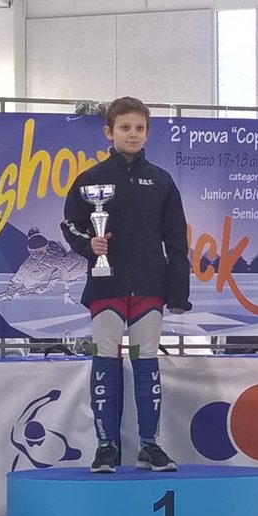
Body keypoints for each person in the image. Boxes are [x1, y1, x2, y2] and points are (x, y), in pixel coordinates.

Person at [61, 96, 192, 473]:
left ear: (147, 133)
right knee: (105, 358)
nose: (132, 134)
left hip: (150, 286)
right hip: (106, 286)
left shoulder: (162, 181)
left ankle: (149, 445)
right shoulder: (90, 180)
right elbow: (69, 225)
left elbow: (176, 237)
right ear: (109, 132)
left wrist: (178, 291)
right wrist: (89, 245)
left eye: (139, 128)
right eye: (125, 127)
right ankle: (106, 446)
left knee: (146, 361)